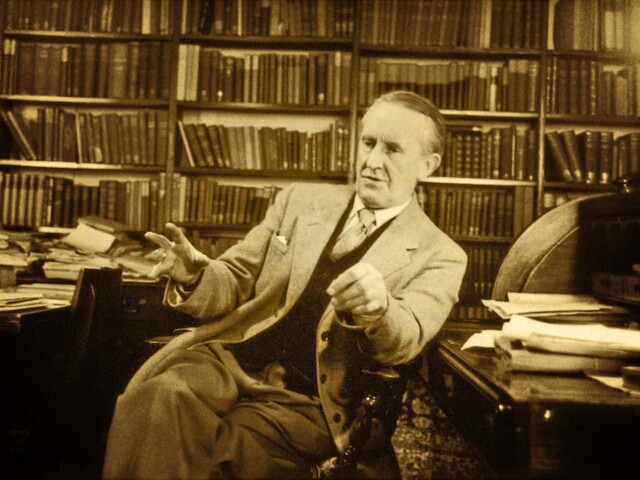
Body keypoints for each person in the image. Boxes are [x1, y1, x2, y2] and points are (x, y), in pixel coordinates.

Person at [102, 90, 467, 479]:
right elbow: (237, 277)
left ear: (428, 165)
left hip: (308, 399)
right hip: (232, 358)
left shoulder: (442, 255)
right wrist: (195, 275)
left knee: (222, 451)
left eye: (392, 149)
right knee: (158, 396)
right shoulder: (300, 201)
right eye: (368, 142)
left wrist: (380, 309)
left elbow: (406, 337)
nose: (372, 161)